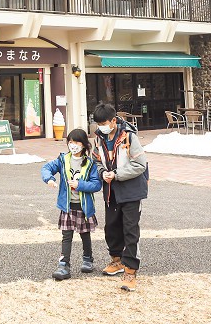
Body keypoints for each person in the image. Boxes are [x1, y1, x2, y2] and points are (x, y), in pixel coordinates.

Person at [91, 102, 149, 292]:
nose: (101, 126)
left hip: (131, 190)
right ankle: (116, 261)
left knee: (130, 231)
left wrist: (116, 174)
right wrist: (102, 173)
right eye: (98, 123)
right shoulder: (98, 138)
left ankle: (130, 271)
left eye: (104, 123)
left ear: (114, 121)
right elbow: (96, 160)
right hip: (111, 191)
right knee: (112, 228)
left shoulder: (129, 137)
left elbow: (140, 165)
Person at [41, 127, 102, 280]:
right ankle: (63, 266)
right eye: (70, 142)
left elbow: (96, 184)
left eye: (76, 142)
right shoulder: (63, 159)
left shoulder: (90, 163)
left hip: (84, 206)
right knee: (66, 236)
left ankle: (88, 259)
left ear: (83, 145)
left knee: (84, 234)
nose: (73, 145)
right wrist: (49, 179)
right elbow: (47, 167)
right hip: (67, 206)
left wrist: (79, 185)